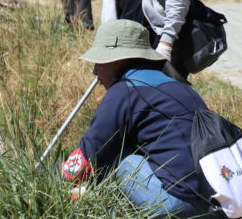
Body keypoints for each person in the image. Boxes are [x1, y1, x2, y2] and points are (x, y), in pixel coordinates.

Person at [61, 19, 208, 217]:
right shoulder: (179, 85)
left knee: (115, 154)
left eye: (99, 62)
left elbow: (90, 154)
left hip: (176, 203)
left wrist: (56, 179)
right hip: (215, 200)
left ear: (116, 61)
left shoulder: (124, 91)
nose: (95, 71)